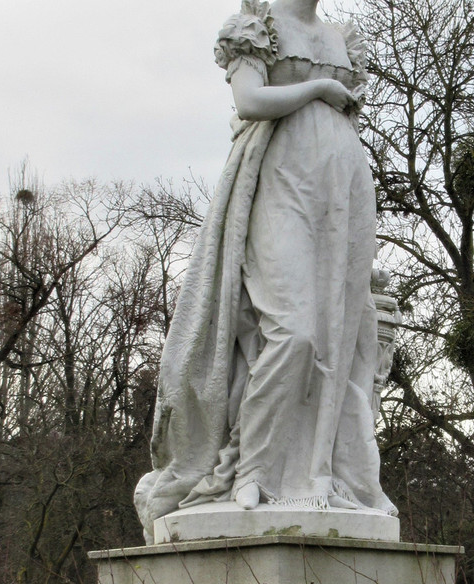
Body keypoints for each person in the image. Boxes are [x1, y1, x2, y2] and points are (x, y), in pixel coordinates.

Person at [134, 0, 395, 541]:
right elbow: (251, 101)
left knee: (338, 338)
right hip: (279, 184)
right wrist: (319, 90)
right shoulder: (258, 26)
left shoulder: (342, 36)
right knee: (294, 332)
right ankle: (252, 469)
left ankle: (318, 473)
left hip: (343, 189)